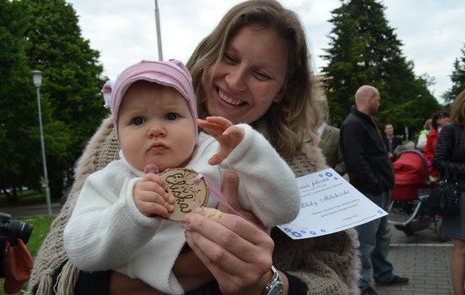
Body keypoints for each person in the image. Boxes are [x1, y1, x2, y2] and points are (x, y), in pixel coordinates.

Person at [27, 0, 359, 294]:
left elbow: (335, 276)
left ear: (284, 89)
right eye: (229, 58)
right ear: (209, 53)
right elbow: (57, 271)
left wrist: (270, 285)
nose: (235, 81)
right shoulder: (119, 145)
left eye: (260, 73)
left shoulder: (296, 165)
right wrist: (186, 271)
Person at [63, 60, 300, 294]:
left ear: (194, 121)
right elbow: (80, 251)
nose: (156, 129)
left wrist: (249, 152)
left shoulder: (218, 159)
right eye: (137, 120)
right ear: (118, 134)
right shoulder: (108, 181)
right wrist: (130, 211)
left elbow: (283, 209)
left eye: (171, 116)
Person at [340, 85, 409, 295]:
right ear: (370, 98)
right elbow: (355, 161)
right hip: (369, 192)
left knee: (382, 236)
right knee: (366, 241)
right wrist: (375, 183)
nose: (379, 104)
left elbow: (369, 157)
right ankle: (362, 285)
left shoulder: (365, 122)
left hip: (378, 190)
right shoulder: (353, 124)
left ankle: (383, 275)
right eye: (377, 99)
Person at [432, 89, 465, 295]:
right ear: (463, 108)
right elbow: (438, 161)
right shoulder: (450, 130)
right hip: (461, 192)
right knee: (462, 245)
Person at [316, 99, 346, 176]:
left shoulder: (337, 134)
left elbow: (344, 161)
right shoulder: (302, 135)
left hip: (329, 182)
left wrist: (331, 175)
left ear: (322, 113)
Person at [423, 110, 450, 178]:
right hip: (437, 168)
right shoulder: (431, 135)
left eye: (447, 117)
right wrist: (436, 160)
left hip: (453, 167)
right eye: (443, 117)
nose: (446, 119)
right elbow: (427, 152)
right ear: (436, 121)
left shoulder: (455, 132)